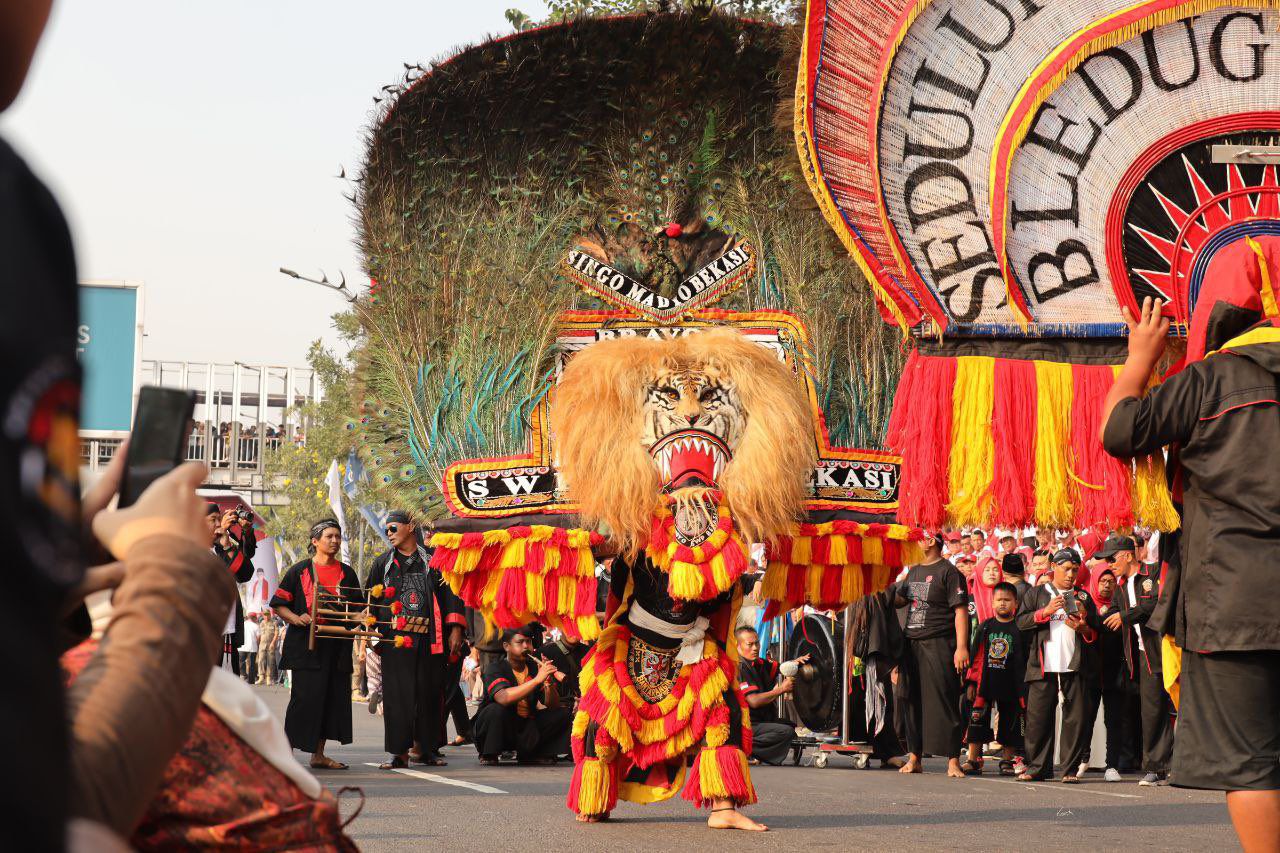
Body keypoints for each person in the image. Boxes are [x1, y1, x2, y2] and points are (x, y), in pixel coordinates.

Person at [364, 511, 466, 769]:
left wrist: (456, 629)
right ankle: (399, 753)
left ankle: (428, 750)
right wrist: (370, 630)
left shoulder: (434, 561)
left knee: (429, 694)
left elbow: (452, 596)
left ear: (410, 527)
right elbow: (371, 602)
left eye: (393, 527)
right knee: (397, 698)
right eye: (386, 529)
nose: (388, 533)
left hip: (430, 638)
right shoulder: (381, 564)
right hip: (395, 641)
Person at [270, 520, 361, 769]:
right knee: (304, 700)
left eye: (337, 536)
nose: (334, 540)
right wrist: (296, 618)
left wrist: (361, 618)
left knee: (330, 700)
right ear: (315, 541)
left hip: (337, 647)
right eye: (329, 536)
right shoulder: (299, 571)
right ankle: (283, 754)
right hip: (305, 647)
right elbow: (278, 604)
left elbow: (355, 610)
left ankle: (318, 755)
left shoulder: (347, 573)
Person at [1017, 549, 1099, 783]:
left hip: (1075, 666)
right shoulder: (1037, 593)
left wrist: (1084, 629)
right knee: (1037, 719)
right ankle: (1037, 768)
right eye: (1066, 569)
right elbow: (1021, 622)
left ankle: (1069, 770)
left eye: (1075, 569)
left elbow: (1096, 631)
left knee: (1076, 719)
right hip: (1043, 666)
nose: (1071, 574)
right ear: (1054, 567)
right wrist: (1045, 612)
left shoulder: (1083, 597)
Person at [1097, 533, 1172, 785]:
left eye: (1112, 558)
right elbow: (1117, 614)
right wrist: (1092, 618)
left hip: (1166, 648)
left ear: (1128, 555)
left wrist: (1125, 617)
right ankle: (1156, 766)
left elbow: (1154, 606)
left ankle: (1171, 764)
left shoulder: (1152, 574)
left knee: (1171, 706)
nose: (1109, 564)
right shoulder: (1120, 586)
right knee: (1150, 710)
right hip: (1142, 654)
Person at [892, 534, 970, 778]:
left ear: (931, 542)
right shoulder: (913, 571)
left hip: (939, 642)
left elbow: (960, 611)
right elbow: (897, 599)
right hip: (912, 643)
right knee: (911, 700)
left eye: (919, 539)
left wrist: (961, 647)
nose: (915, 542)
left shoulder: (949, 572)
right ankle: (915, 757)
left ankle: (953, 760)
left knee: (945, 700)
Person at [472, 627, 572, 765]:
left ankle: (532, 754)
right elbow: (504, 698)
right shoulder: (495, 667)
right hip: (502, 723)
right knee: (495, 710)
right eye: (520, 642)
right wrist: (537, 680)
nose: (526, 646)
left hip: (526, 724)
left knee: (563, 713)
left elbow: (552, 705)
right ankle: (489, 753)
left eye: (529, 642)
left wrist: (548, 682)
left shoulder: (533, 667)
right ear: (506, 646)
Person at [961, 582, 1025, 776]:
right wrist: (971, 682)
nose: (1003, 603)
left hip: (1011, 684)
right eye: (999, 600)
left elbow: (1022, 658)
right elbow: (975, 655)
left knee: (1010, 723)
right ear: (992, 601)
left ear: (1016, 602)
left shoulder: (1019, 628)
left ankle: (1007, 761)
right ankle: (973, 759)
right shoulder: (986, 627)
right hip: (985, 682)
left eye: (1007, 600)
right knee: (977, 720)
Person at [1082, 566, 1136, 781]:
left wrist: (1090, 616)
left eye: (1111, 582)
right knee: (1086, 718)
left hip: (1115, 674)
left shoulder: (1118, 606)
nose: (1107, 585)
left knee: (1113, 720)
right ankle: (1081, 759)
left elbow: (1105, 626)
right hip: (1091, 673)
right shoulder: (1086, 604)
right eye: (1103, 581)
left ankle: (1112, 764)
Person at [735, 626, 802, 766]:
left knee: (789, 726)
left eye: (757, 643)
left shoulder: (758, 663)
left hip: (760, 721)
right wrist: (781, 690)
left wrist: (798, 662)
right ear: (738, 645)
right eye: (750, 644)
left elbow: (782, 667)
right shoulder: (740, 667)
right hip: (746, 724)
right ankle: (740, 747)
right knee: (786, 732)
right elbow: (753, 701)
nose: (755, 648)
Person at [208, 504, 256, 674]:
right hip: (203, 635)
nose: (218, 523)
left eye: (219, 519)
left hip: (227, 632)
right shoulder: (190, 549)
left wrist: (228, 544)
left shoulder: (222, 548)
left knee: (227, 691)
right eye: (213, 520)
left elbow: (245, 574)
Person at [537, 630, 588, 704]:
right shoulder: (544, 652)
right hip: (559, 709)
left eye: (576, 627)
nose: (572, 630)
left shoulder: (590, 651)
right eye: (568, 626)